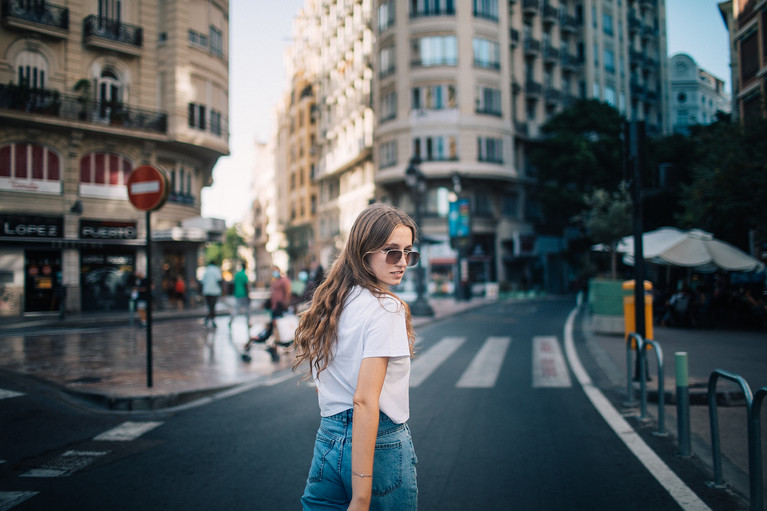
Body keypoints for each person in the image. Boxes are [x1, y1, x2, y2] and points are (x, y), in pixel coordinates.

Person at [293, 203, 419, 510]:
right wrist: (362, 497)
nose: (402, 261)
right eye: (392, 252)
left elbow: (331, 378)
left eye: (409, 253)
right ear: (365, 253)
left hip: (329, 439)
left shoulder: (333, 302)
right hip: (378, 444)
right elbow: (364, 400)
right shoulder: (386, 308)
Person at [243, 266, 292, 357]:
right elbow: (271, 294)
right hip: (274, 307)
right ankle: (276, 344)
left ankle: (281, 343)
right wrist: (265, 304)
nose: (274, 272)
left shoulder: (284, 281)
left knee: (278, 325)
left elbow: (288, 292)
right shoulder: (274, 282)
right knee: (273, 325)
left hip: (280, 307)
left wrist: (286, 303)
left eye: (275, 271)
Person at [229, 261, 251, 329]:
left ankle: (231, 319)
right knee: (247, 309)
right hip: (243, 294)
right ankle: (248, 322)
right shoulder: (244, 274)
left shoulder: (237, 274)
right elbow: (246, 285)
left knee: (237, 308)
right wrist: (248, 295)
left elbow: (234, 284)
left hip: (237, 293)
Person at [201, 261, 222, 328]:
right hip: (214, 291)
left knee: (210, 307)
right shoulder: (216, 270)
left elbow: (203, 282)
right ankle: (210, 320)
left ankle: (208, 320)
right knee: (212, 307)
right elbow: (219, 280)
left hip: (207, 291)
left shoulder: (206, 271)